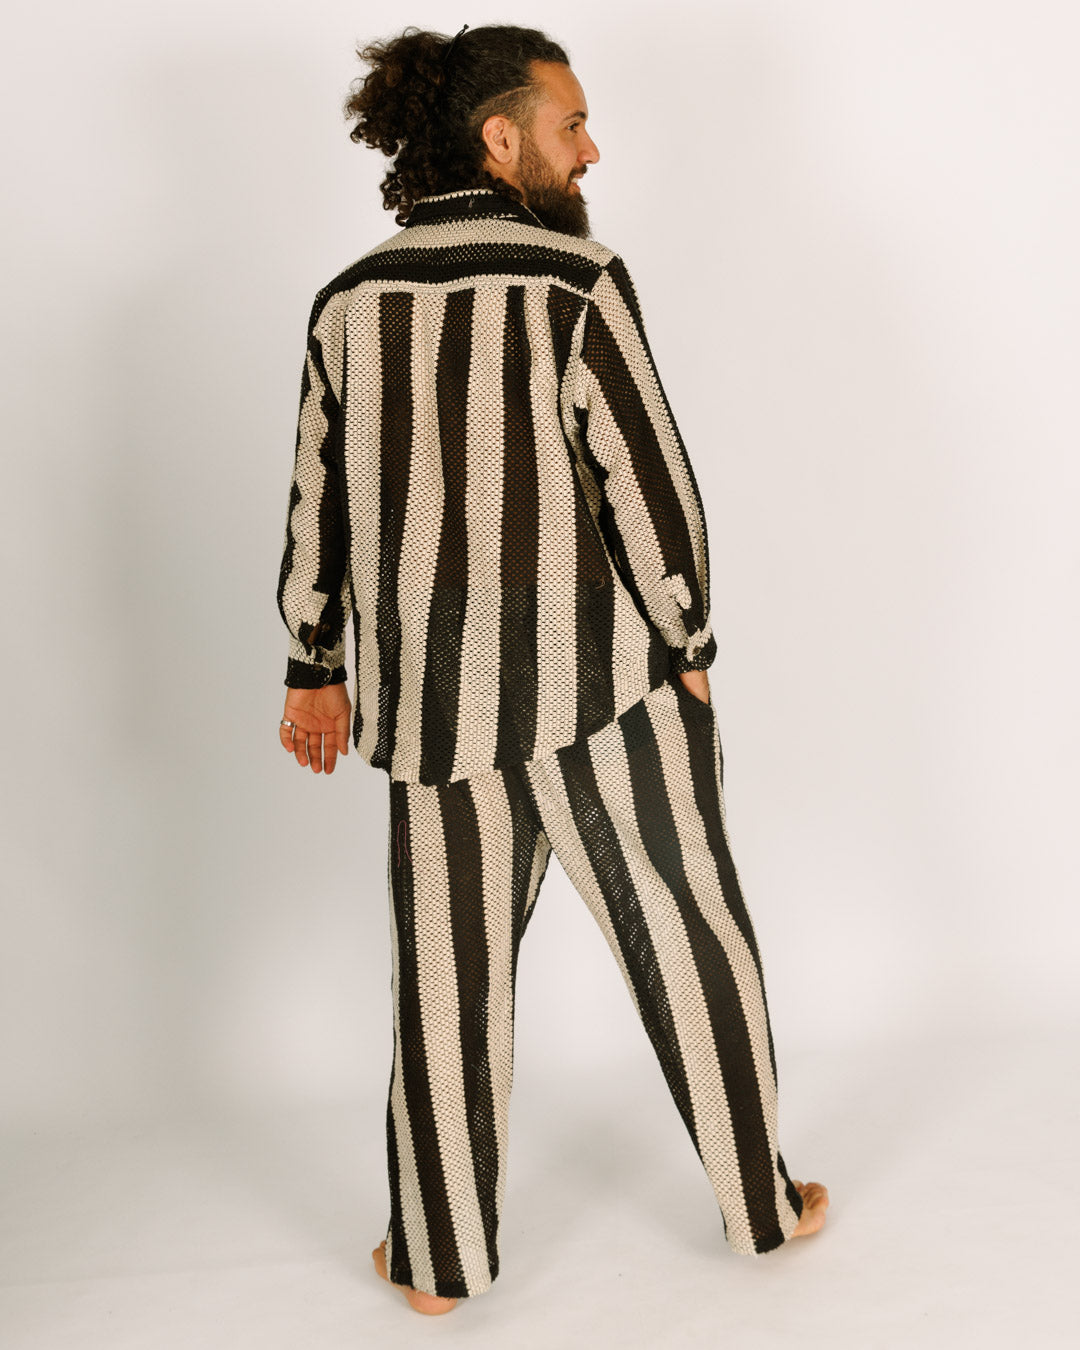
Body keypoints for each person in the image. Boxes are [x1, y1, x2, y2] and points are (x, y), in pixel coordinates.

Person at [275, 22, 829, 1316]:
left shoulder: (349, 303)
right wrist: (688, 641)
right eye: (571, 124)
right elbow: (649, 483)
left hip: (429, 708)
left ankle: (435, 1260)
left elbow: (317, 501)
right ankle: (760, 1206)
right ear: (500, 138)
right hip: (604, 688)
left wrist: (312, 661)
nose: (591, 149)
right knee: (691, 935)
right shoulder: (577, 283)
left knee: (445, 983)